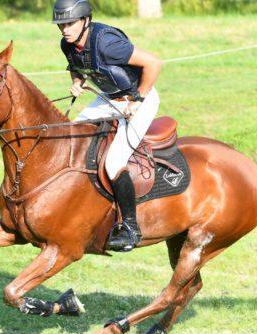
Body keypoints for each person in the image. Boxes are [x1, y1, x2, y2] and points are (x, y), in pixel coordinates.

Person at [53, 0, 162, 252]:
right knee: (70, 139)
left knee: (114, 162)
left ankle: (131, 228)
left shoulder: (107, 43)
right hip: (108, 99)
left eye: (70, 23)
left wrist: (137, 100)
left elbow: (154, 63)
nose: (65, 30)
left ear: (86, 21)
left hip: (139, 100)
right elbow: (77, 66)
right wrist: (77, 82)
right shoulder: (66, 44)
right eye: (61, 25)